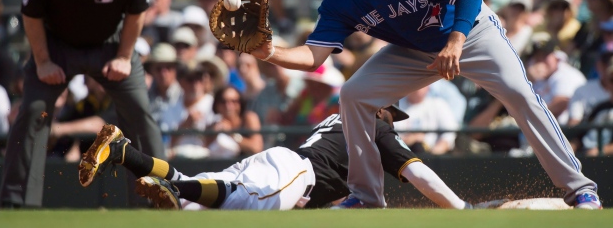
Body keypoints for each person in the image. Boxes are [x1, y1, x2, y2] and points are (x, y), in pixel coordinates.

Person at [247, 0, 602, 209]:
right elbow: (313, 57)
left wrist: (456, 41)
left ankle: (581, 188)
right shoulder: (339, 2)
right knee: (354, 93)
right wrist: (268, 52)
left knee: (519, 95)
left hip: (472, 32)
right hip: (415, 49)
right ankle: (365, 196)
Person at [0, 0, 165, 208]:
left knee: (140, 111)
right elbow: (31, 14)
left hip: (110, 43)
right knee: (32, 111)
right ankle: (16, 203)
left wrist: (125, 57)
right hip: (57, 46)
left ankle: (157, 198)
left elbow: (137, 12)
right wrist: (43, 61)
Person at [78, 106, 504, 209]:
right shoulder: (374, 124)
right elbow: (417, 171)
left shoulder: (342, 120)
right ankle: (170, 187)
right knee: (229, 201)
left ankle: (124, 152)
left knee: (202, 197)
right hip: (297, 174)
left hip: (282, 161)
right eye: (392, 112)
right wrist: (461, 208)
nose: (393, 121)